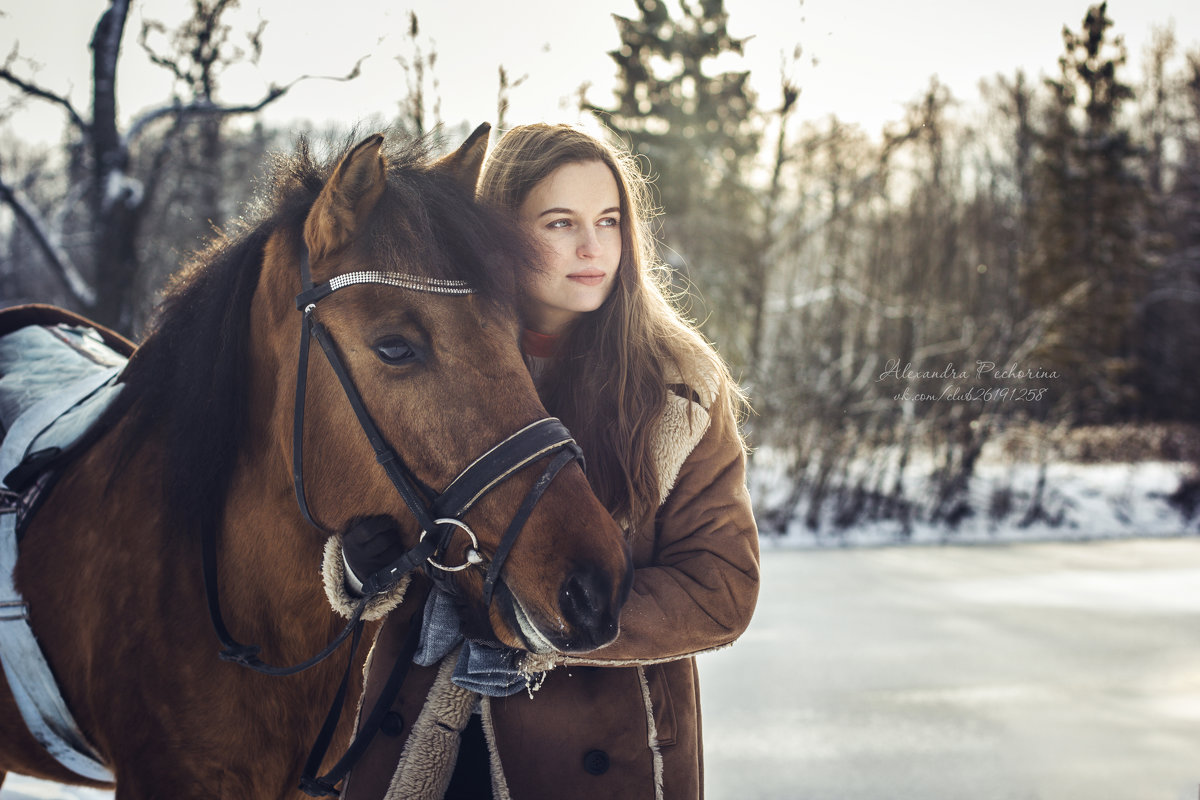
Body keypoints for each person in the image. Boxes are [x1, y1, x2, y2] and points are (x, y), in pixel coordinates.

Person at [334, 123, 760, 800]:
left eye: (609, 220)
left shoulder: (675, 386)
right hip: (419, 736)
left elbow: (720, 590)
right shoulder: (430, 362)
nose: (593, 248)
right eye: (560, 223)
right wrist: (359, 572)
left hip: (595, 751)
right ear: (498, 234)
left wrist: (537, 628)